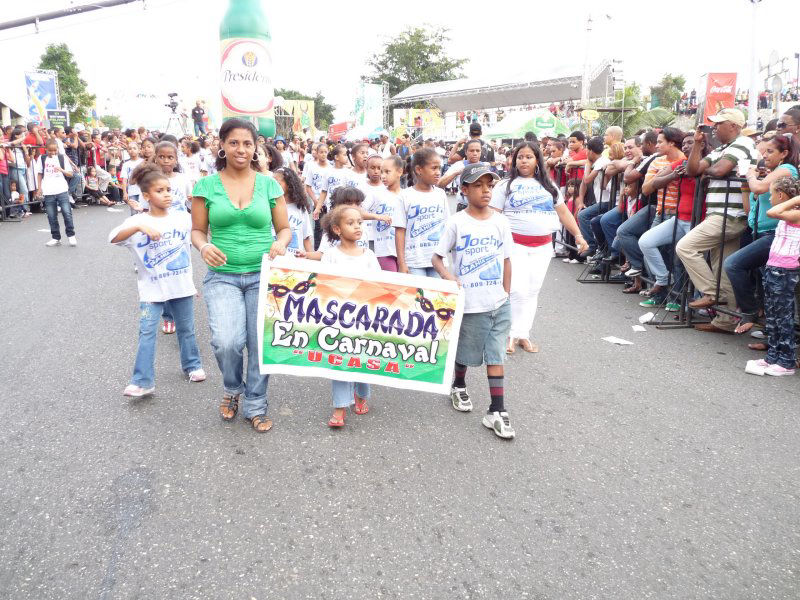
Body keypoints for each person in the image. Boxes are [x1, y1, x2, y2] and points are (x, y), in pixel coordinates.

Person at [190, 118, 291, 434]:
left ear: (256, 146)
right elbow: (197, 231)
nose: (241, 149)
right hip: (223, 276)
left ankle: (256, 404)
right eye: (233, 142)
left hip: (264, 275)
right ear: (221, 145)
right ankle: (233, 388)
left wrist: (280, 243)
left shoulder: (269, 184)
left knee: (260, 344)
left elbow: (285, 229)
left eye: (248, 143)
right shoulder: (205, 186)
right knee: (226, 342)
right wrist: (204, 247)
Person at [431, 163, 515, 439]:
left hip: (498, 303)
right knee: (465, 353)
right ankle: (458, 384)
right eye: (478, 185)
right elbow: (437, 257)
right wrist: (447, 275)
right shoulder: (457, 223)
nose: (485, 191)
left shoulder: (501, 222)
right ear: (464, 190)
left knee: (496, 353)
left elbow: (506, 260)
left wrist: (506, 294)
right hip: (470, 303)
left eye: (489, 185)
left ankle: (497, 411)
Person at [109, 162, 205, 397]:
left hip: (181, 285)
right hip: (151, 289)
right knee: (147, 331)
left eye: (168, 190)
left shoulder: (182, 218)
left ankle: (192, 365)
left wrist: (193, 283)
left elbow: (197, 239)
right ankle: (142, 380)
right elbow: (113, 238)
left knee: (186, 329)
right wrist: (139, 226)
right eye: (159, 191)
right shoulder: (136, 222)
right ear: (146, 196)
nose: (166, 195)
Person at [490, 141, 587, 354]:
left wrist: (579, 235)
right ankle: (511, 334)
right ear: (514, 161)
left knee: (532, 290)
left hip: (543, 247)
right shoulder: (504, 186)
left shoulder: (549, 186)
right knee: (516, 290)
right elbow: (493, 216)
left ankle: (523, 334)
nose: (523, 160)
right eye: (520, 157)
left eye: (529, 157)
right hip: (514, 245)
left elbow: (563, 213)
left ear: (537, 161)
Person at [678, 108, 758, 334]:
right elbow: (694, 169)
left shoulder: (742, 144)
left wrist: (709, 171)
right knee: (722, 267)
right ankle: (725, 320)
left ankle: (712, 293)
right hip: (720, 214)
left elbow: (721, 170)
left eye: (719, 124)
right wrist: (696, 144)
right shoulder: (723, 148)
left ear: (733, 125)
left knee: (685, 247)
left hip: (730, 214)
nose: (714, 128)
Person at [309, 204, 380, 427]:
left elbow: (380, 285)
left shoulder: (369, 255)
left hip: (364, 318)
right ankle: (340, 407)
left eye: (359, 222)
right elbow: (321, 283)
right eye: (350, 223)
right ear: (337, 229)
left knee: (363, 359)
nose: (357, 226)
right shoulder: (330, 255)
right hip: (337, 319)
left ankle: (361, 394)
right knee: (339, 360)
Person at [725, 134, 799, 333]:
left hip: (776, 234)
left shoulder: (787, 169)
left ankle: (750, 311)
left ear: (784, 154)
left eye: (770, 152)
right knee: (769, 288)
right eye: (763, 151)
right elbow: (751, 209)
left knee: (733, 264)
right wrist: (746, 184)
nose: (764, 156)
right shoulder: (772, 172)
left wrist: (750, 175)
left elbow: (758, 187)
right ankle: (771, 336)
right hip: (759, 232)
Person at [746, 176, 800, 375]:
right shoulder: (789, 213)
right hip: (774, 267)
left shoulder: (795, 213)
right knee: (773, 316)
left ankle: (786, 361)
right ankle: (773, 357)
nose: (769, 198)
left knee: (783, 316)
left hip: (786, 270)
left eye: (771, 194)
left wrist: (796, 199)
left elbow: (772, 211)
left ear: (780, 195)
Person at [395, 148, 449, 277]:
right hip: (414, 261)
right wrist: (401, 263)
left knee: (437, 297)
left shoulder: (440, 194)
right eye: (434, 168)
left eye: (439, 168)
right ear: (419, 170)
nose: (438, 172)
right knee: (419, 297)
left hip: (438, 260)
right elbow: (400, 231)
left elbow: (447, 227)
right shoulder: (404, 196)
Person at [36, 140, 76, 247]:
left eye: (55, 150)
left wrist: (61, 170)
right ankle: (55, 237)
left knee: (67, 213)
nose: (53, 153)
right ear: (46, 149)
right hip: (48, 190)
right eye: (50, 151)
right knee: (51, 215)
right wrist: (39, 188)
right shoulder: (42, 158)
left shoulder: (62, 158)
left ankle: (71, 235)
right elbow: (39, 174)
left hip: (61, 189)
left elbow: (71, 174)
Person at [574, 136, 610, 256]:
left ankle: (591, 246)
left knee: (583, 216)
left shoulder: (602, 161)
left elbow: (588, 179)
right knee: (593, 221)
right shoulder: (592, 162)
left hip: (607, 200)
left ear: (590, 151)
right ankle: (600, 250)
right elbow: (583, 183)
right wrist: (581, 201)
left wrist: (588, 165)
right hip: (599, 200)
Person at [272, 166, 313, 256]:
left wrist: (311, 259)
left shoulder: (300, 209)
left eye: (277, 183)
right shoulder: (270, 206)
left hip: (294, 262)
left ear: (289, 185)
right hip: (273, 259)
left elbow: (306, 238)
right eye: (272, 183)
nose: (273, 186)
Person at [372, 155, 404, 271]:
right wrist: (377, 216)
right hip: (384, 250)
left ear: (399, 172)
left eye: (387, 172)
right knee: (391, 285)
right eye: (382, 172)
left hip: (404, 251)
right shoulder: (377, 194)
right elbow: (358, 211)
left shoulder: (406, 196)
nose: (383, 176)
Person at [438, 139, 483, 211]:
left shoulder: (485, 166)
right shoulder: (459, 165)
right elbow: (440, 184)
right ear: (466, 152)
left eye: (478, 151)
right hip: (463, 207)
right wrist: (456, 173)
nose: (475, 153)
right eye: (472, 151)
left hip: (481, 207)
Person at [120, 141, 144, 213]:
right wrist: (125, 192)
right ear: (127, 151)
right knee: (134, 213)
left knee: (144, 212)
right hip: (132, 192)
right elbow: (124, 179)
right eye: (130, 149)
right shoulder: (126, 164)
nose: (132, 150)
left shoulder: (143, 162)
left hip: (143, 191)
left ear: (139, 150)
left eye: (134, 148)